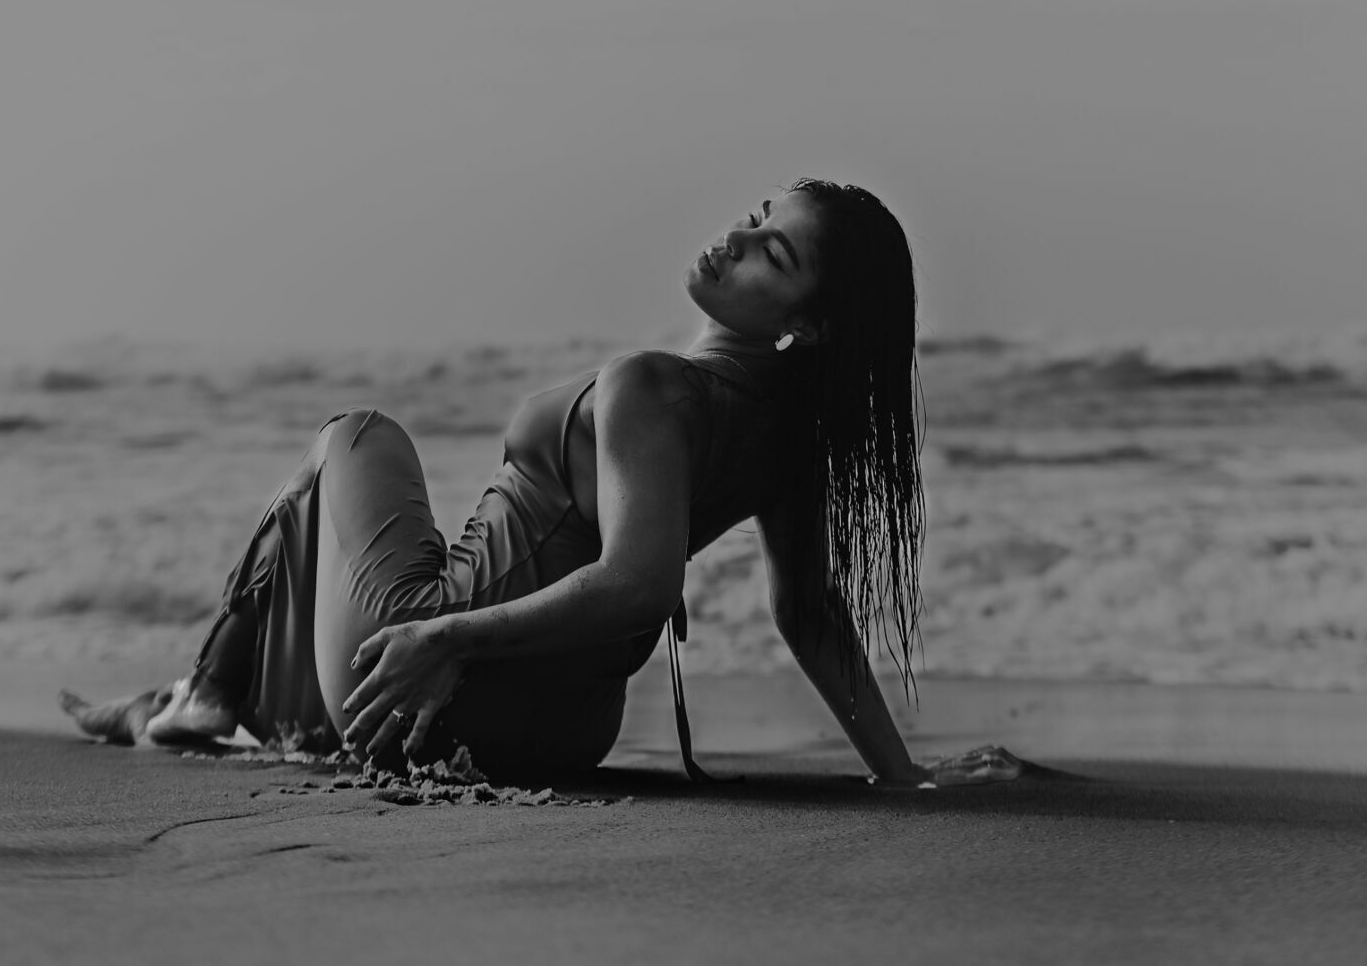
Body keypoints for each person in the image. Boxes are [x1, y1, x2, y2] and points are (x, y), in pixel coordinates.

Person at [62, 179, 1018, 787]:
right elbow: (807, 611)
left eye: (772, 252)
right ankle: (192, 697)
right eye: (759, 215)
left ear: (803, 328)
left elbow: (640, 584)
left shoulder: (654, 385)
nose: (736, 235)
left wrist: (442, 636)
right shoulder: (781, 435)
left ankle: (208, 690)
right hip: (561, 738)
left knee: (357, 434)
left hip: (447, 676)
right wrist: (902, 776)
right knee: (335, 569)